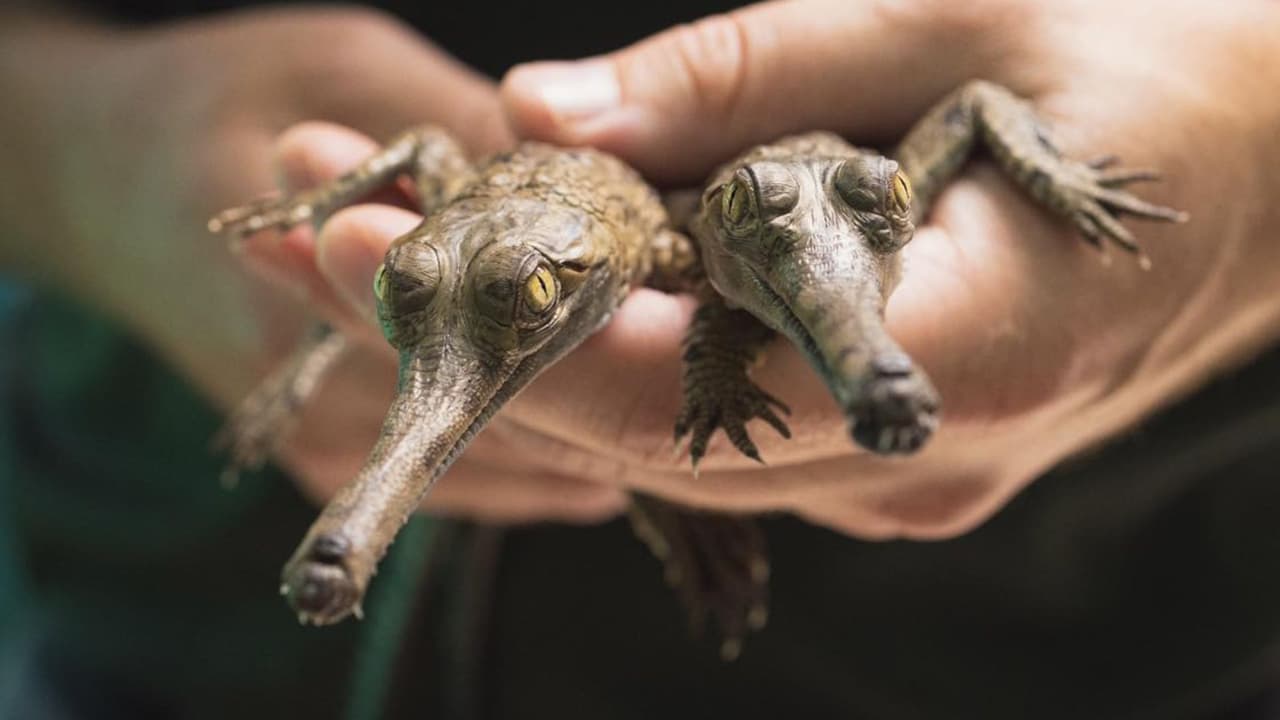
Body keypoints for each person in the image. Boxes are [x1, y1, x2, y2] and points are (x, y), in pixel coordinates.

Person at [1, 0, 1277, 718]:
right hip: (162, 634)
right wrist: (61, 152)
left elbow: (709, 306)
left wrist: (1260, 161)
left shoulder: (689, 254)